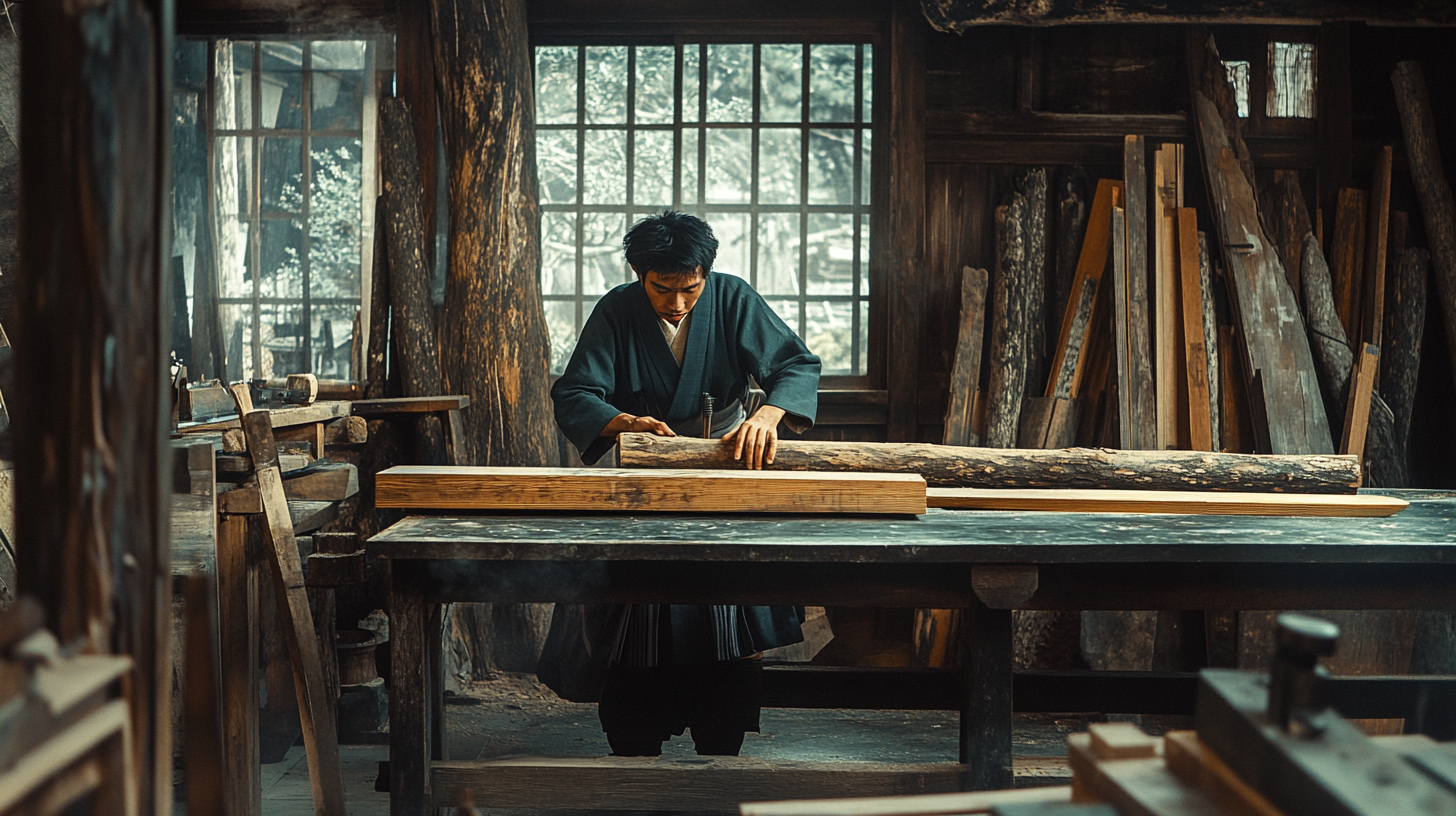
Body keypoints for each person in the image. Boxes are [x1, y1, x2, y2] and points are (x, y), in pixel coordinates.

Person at [551, 210, 821, 757]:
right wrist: (619, 421)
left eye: (690, 287)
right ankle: (635, 733)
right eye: (661, 288)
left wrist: (766, 418)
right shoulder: (616, 310)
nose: (677, 302)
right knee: (637, 606)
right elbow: (576, 391)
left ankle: (722, 731)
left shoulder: (733, 298)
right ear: (637, 272)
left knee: (727, 603)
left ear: (706, 274)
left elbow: (795, 364)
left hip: (726, 470)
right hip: (643, 478)